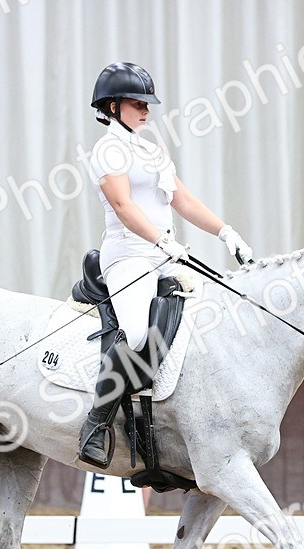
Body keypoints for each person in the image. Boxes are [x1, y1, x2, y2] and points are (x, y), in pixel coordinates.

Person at [77, 61, 254, 469]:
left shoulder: (152, 150)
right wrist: (160, 240)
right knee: (137, 333)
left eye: (147, 103)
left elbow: (183, 201)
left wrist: (227, 233)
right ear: (113, 105)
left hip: (164, 252)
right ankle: (96, 423)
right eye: (138, 103)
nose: (147, 110)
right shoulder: (108, 150)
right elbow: (123, 206)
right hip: (129, 256)